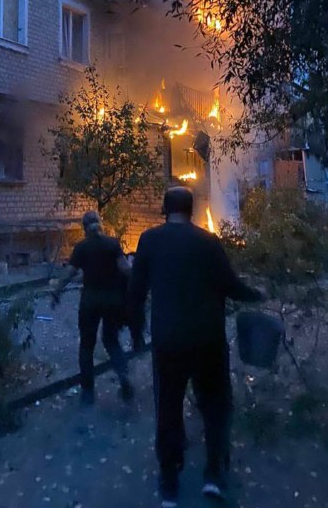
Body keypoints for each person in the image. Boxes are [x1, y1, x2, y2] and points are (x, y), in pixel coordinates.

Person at [129, 187, 264, 508]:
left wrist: (134, 330)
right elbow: (231, 286)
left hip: (169, 342)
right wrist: (257, 294)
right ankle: (215, 475)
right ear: (191, 210)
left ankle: (169, 481)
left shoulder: (149, 241)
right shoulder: (208, 242)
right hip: (208, 340)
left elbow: (135, 294)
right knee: (216, 407)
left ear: (165, 209)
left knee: (169, 408)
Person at [51, 210, 135, 405]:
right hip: (113, 301)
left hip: (90, 302)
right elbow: (126, 270)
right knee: (111, 341)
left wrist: (56, 291)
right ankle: (124, 379)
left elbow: (69, 273)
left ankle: (88, 392)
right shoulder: (112, 244)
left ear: (84, 228)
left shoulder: (82, 247)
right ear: (100, 224)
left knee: (86, 346)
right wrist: (138, 288)